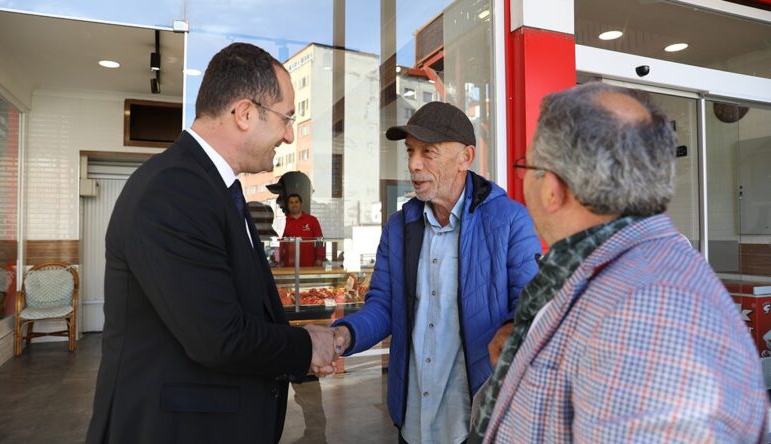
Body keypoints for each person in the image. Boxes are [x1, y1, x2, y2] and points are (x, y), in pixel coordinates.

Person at [470, 82, 769, 443]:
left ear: (552, 188)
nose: (522, 183)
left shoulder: (648, 314)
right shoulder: (614, 272)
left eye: (526, 167)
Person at [86, 42, 336, 444]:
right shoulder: (172, 190)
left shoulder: (212, 188)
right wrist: (305, 345)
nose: (290, 135)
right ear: (244, 113)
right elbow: (219, 337)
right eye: (287, 118)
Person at [330, 101, 541, 444]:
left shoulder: (510, 221)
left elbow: (533, 310)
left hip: (476, 423)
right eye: (410, 151)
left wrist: (513, 331)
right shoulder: (399, 227)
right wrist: (342, 336)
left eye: (428, 152)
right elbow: (384, 306)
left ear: (465, 157)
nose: (414, 164)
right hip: (412, 421)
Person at [279, 193, 325, 267]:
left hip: (310, 264)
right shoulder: (284, 221)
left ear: (301, 204)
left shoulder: (312, 220)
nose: (294, 205)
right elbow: (281, 243)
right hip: (289, 266)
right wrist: (279, 260)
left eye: (296, 202)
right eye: (291, 202)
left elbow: (320, 239)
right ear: (288, 205)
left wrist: (319, 258)